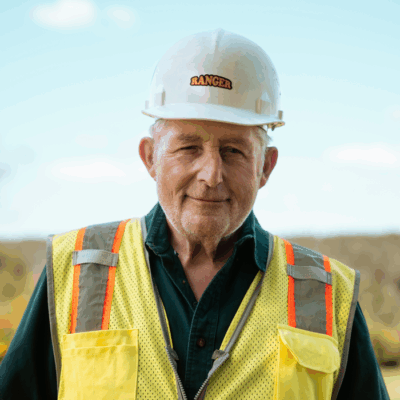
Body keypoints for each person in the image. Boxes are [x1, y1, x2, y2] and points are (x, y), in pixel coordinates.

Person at [0, 28, 390, 400]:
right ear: (151, 158)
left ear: (265, 167)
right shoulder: (73, 269)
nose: (211, 174)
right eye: (189, 148)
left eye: (234, 151)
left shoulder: (328, 295)